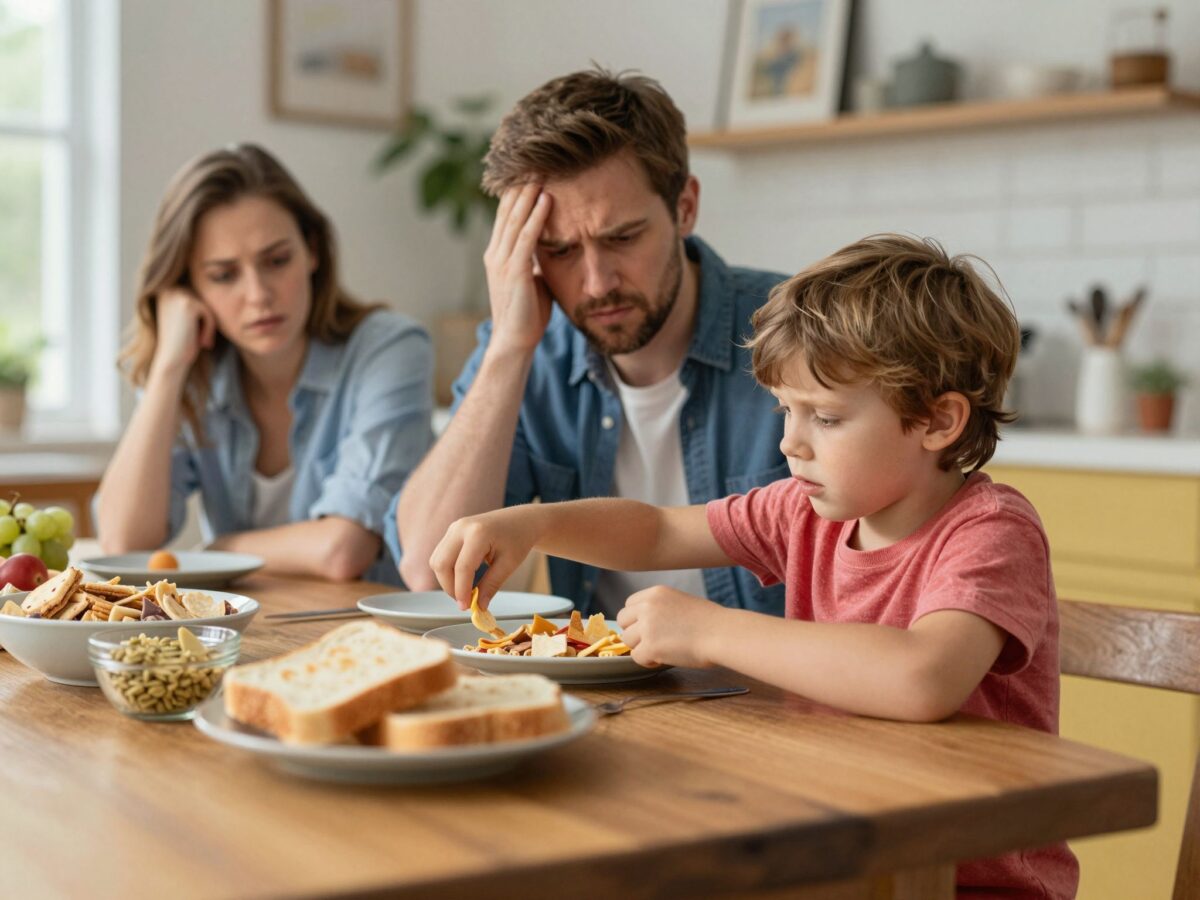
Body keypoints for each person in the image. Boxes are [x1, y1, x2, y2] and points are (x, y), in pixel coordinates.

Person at [430, 234, 1079, 899]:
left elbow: (923, 677)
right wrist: (535, 524)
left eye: (826, 417)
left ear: (938, 421)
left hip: (969, 878)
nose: (790, 442)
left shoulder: (991, 529)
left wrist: (710, 631)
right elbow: (657, 532)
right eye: (785, 410)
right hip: (846, 854)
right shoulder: (805, 511)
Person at [387, 68, 789, 616]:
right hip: (603, 668)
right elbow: (425, 571)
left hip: (764, 672)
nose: (597, 284)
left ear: (684, 208)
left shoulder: (802, 333)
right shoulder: (531, 351)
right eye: (561, 251)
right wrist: (508, 348)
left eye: (622, 238)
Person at [98, 144, 433, 584]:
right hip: (256, 620)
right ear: (189, 287)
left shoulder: (390, 349)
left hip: (367, 621)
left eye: (276, 261)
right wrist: (167, 369)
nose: (258, 295)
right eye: (223, 275)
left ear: (312, 250)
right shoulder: (195, 372)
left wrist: (220, 550)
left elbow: (342, 551)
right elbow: (123, 542)